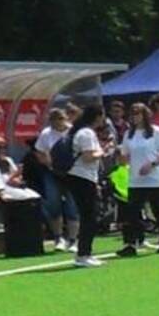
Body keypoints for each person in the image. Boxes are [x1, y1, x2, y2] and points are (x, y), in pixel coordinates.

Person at [118, 102, 159, 257]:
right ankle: (131, 243)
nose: (135, 117)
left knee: (158, 211)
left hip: (155, 178)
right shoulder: (129, 133)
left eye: (138, 113)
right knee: (132, 212)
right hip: (136, 179)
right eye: (133, 114)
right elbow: (125, 155)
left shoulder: (155, 131)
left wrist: (153, 163)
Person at [61, 105, 109, 268]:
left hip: (80, 177)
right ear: (97, 117)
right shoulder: (87, 133)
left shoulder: (80, 131)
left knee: (89, 215)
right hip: (82, 176)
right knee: (90, 215)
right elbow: (89, 157)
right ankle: (83, 254)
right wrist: (103, 151)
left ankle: (85, 253)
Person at [34, 107, 77, 251]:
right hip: (52, 173)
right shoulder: (46, 134)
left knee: (72, 206)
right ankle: (58, 237)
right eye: (53, 120)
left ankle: (73, 240)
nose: (57, 123)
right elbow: (39, 152)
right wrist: (48, 162)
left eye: (59, 119)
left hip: (73, 173)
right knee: (53, 205)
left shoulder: (73, 132)